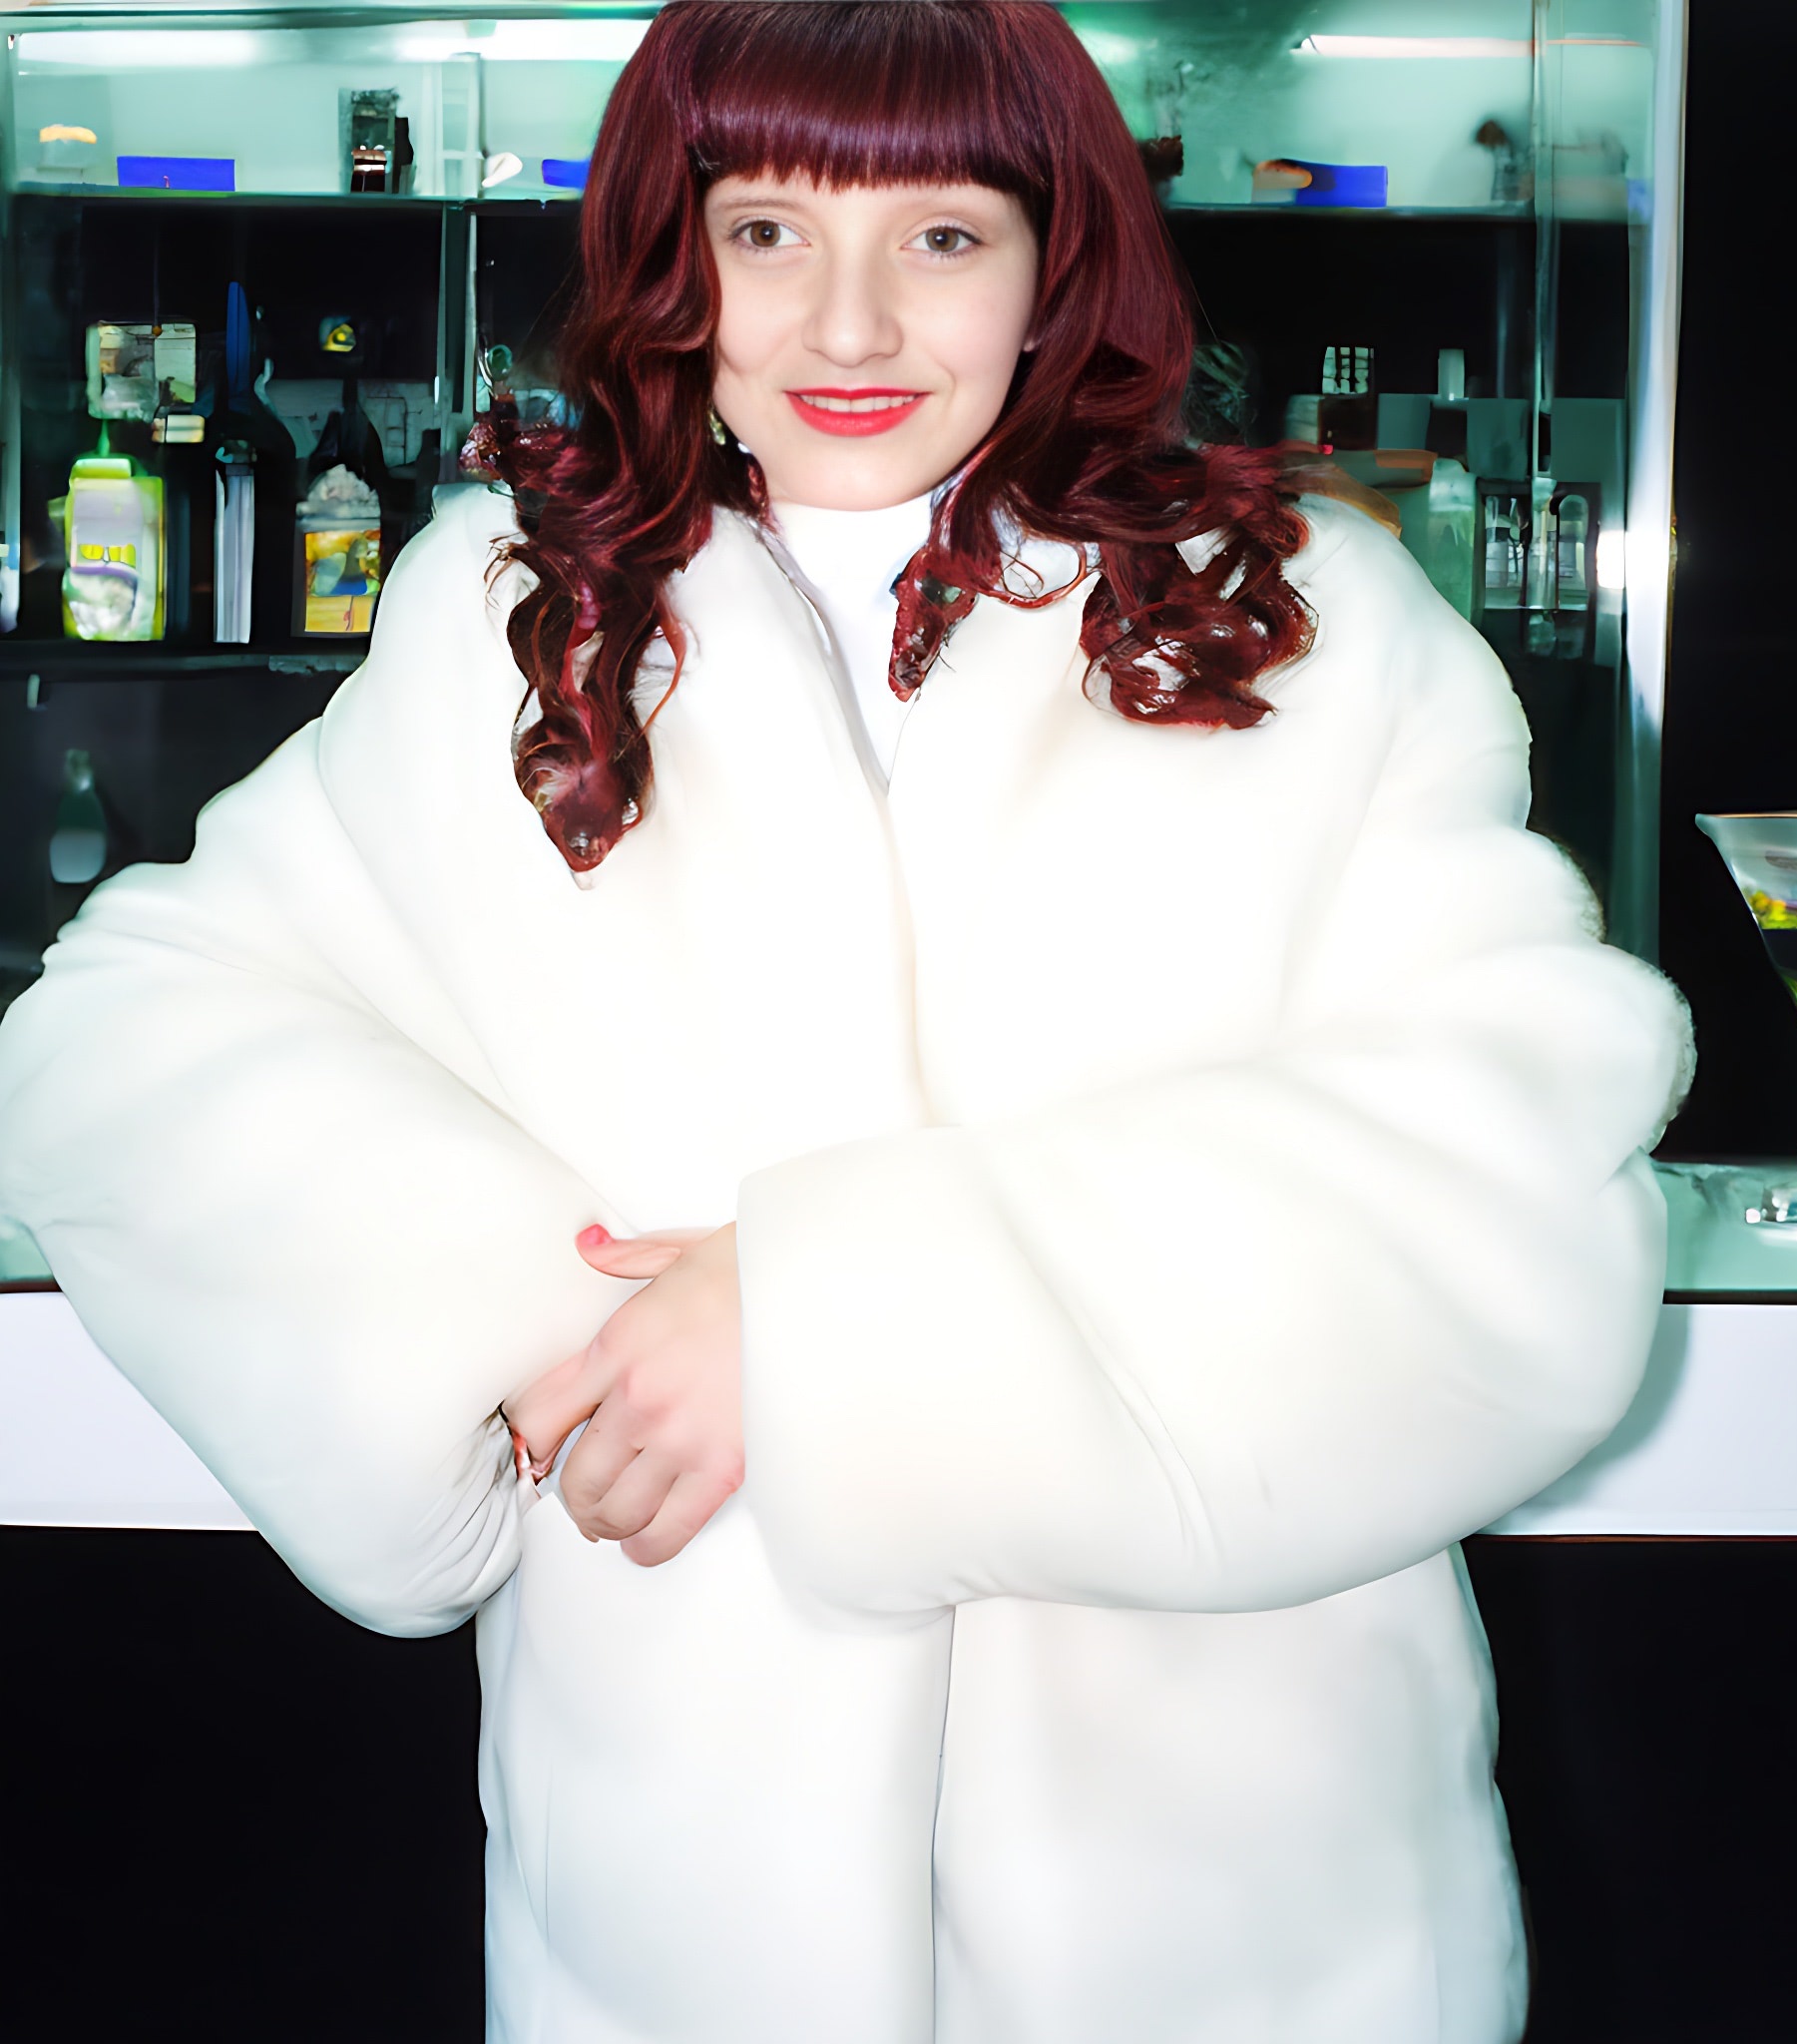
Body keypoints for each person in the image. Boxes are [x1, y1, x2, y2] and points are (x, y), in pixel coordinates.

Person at [0, 4, 1691, 2039]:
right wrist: (537, 1326)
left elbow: (1505, 1189)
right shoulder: (512, 623)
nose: (850, 321)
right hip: (684, 1897)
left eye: (943, 237)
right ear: (672, 256)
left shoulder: (1296, 624)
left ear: (1055, 264)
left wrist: (816, 1326)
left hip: (1236, 1899)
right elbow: (134, 1042)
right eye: (768, 232)